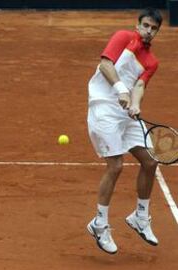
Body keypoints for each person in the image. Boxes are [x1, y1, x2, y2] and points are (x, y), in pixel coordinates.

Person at [86, 8, 162, 254]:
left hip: (126, 112)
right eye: (146, 26)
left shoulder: (152, 62)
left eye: (154, 28)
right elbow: (106, 64)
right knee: (116, 165)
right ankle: (99, 223)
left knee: (150, 161)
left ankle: (140, 216)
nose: (148, 31)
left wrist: (136, 103)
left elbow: (139, 86)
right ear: (138, 25)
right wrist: (120, 89)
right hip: (104, 109)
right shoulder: (122, 37)